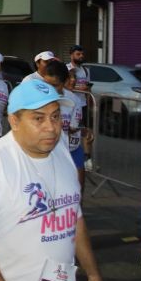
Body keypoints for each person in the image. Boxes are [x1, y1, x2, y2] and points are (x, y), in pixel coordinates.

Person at [0, 80, 105, 281]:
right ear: (14, 121)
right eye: (38, 118)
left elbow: (74, 218)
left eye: (55, 116)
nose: (51, 127)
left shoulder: (61, 150)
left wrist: (94, 276)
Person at [43, 61, 87, 190]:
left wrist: (83, 130)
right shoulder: (38, 99)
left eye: (55, 85)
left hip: (70, 149)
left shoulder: (74, 100)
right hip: (47, 152)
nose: (50, 89)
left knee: (78, 188)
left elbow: (73, 127)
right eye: (46, 84)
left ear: (65, 82)